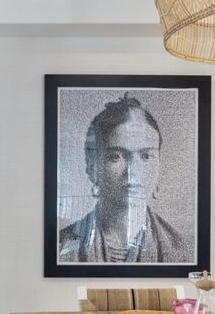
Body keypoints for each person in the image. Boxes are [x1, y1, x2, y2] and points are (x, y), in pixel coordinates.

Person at [58, 93, 189, 263]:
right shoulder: (60, 249)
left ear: (159, 165)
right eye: (116, 156)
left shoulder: (181, 251)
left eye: (146, 156)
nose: (133, 170)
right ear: (92, 167)